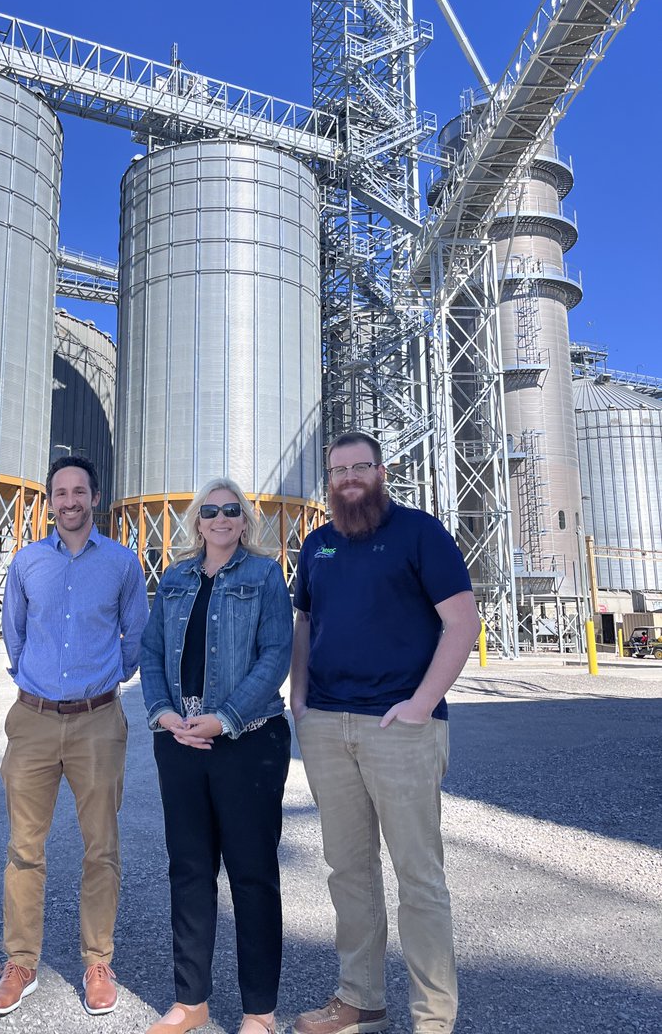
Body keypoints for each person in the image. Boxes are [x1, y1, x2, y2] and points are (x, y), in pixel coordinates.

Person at [291, 433, 480, 1034]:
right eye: (338, 470)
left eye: (360, 467)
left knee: (418, 876)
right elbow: (305, 623)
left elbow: (462, 623)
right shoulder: (317, 544)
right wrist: (299, 701)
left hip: (399, 727)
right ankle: (360, 1000)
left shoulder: (420, 533)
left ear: (381, 472)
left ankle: (433, 1018)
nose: (348, 478)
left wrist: (422, 704)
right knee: (348, 872)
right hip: (327, 724)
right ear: (328, 480)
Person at [0, 454, 149, 1018]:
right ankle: (20, 963)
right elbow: (14, 633)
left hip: (98, 720)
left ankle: (97, 961)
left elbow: (135, 637)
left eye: (80, 491)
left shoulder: (122, 564)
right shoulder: (28, 562)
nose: (70, 501)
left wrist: (103, 681)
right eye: (61, 492)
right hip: (32, 719)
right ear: (50, 501)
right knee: (23, 848)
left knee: (100, 847)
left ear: (95, 498)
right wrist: (40, 681)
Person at [141, 478, 294, 1034]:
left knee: (252, 876)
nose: (221, 519)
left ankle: (259, 1012)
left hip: (247, 740)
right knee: (188, 871)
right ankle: (191, 1002)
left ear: (245, 520)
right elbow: (151, 650)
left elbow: (275, 656)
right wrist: (163, 714)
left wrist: (224, 717)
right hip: (179, 740)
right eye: (210, 511)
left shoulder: (265, 575)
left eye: (231, 510)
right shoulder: (175, 577)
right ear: (197, 521)